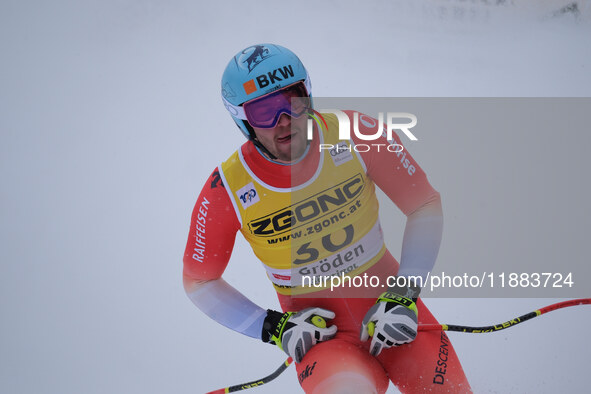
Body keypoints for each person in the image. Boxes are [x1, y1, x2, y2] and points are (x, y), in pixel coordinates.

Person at [183, 43, 471, 393]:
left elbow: (423, 203)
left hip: (395, 313)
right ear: (242, 120)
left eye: (293, 102)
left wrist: (404, 293)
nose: (284, 121)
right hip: (324, 343)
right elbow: (199, 281)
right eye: (265, 112)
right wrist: (273, 327)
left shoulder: (355, 132)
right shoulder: (227, 187)